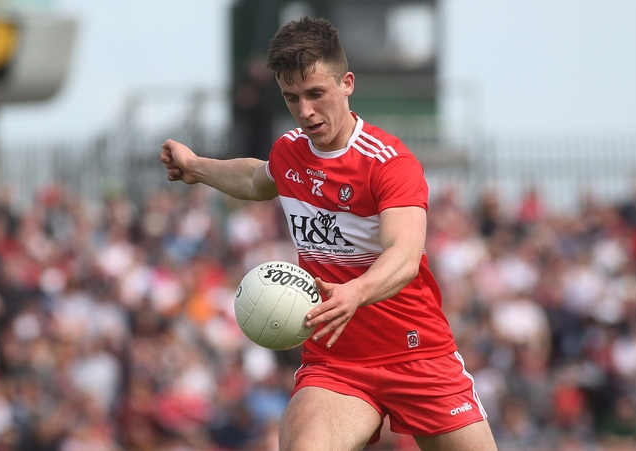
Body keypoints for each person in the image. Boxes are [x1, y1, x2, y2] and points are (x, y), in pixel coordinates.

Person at [160, 16, 498, 451]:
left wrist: (354, 293)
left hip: (418, 354)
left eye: (316, 93)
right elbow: (255, 179)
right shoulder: (290, 152)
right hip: (337, 363)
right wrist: (197, 167)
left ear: (347, 84)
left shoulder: (389, 162)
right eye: (291, 98)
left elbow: (405, 253)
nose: (305, 111)